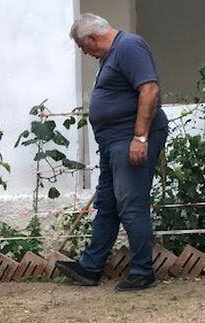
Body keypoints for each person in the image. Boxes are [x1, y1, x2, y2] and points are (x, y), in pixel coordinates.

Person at [57, 13, 169, 291]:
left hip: (129, 139)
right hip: (112, 143)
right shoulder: (111, 56)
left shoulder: (129, 46)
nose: (85, 53)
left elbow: (149, 89)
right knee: (107, 204)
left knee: (132, 204)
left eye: (83, 47)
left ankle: (142, 272)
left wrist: (140, 137)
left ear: (92, 38)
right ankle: (90, 267)